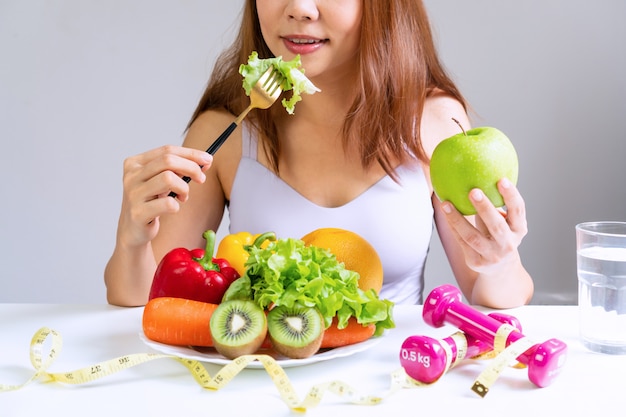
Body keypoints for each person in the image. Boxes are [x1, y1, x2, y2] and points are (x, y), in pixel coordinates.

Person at [104, 0, 534, 308]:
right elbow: (145, 300)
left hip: (397, 388)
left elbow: (497, 298)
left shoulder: (434, 124)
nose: (300, 8)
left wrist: (499, 262)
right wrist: (131, 239)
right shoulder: (226, 132)